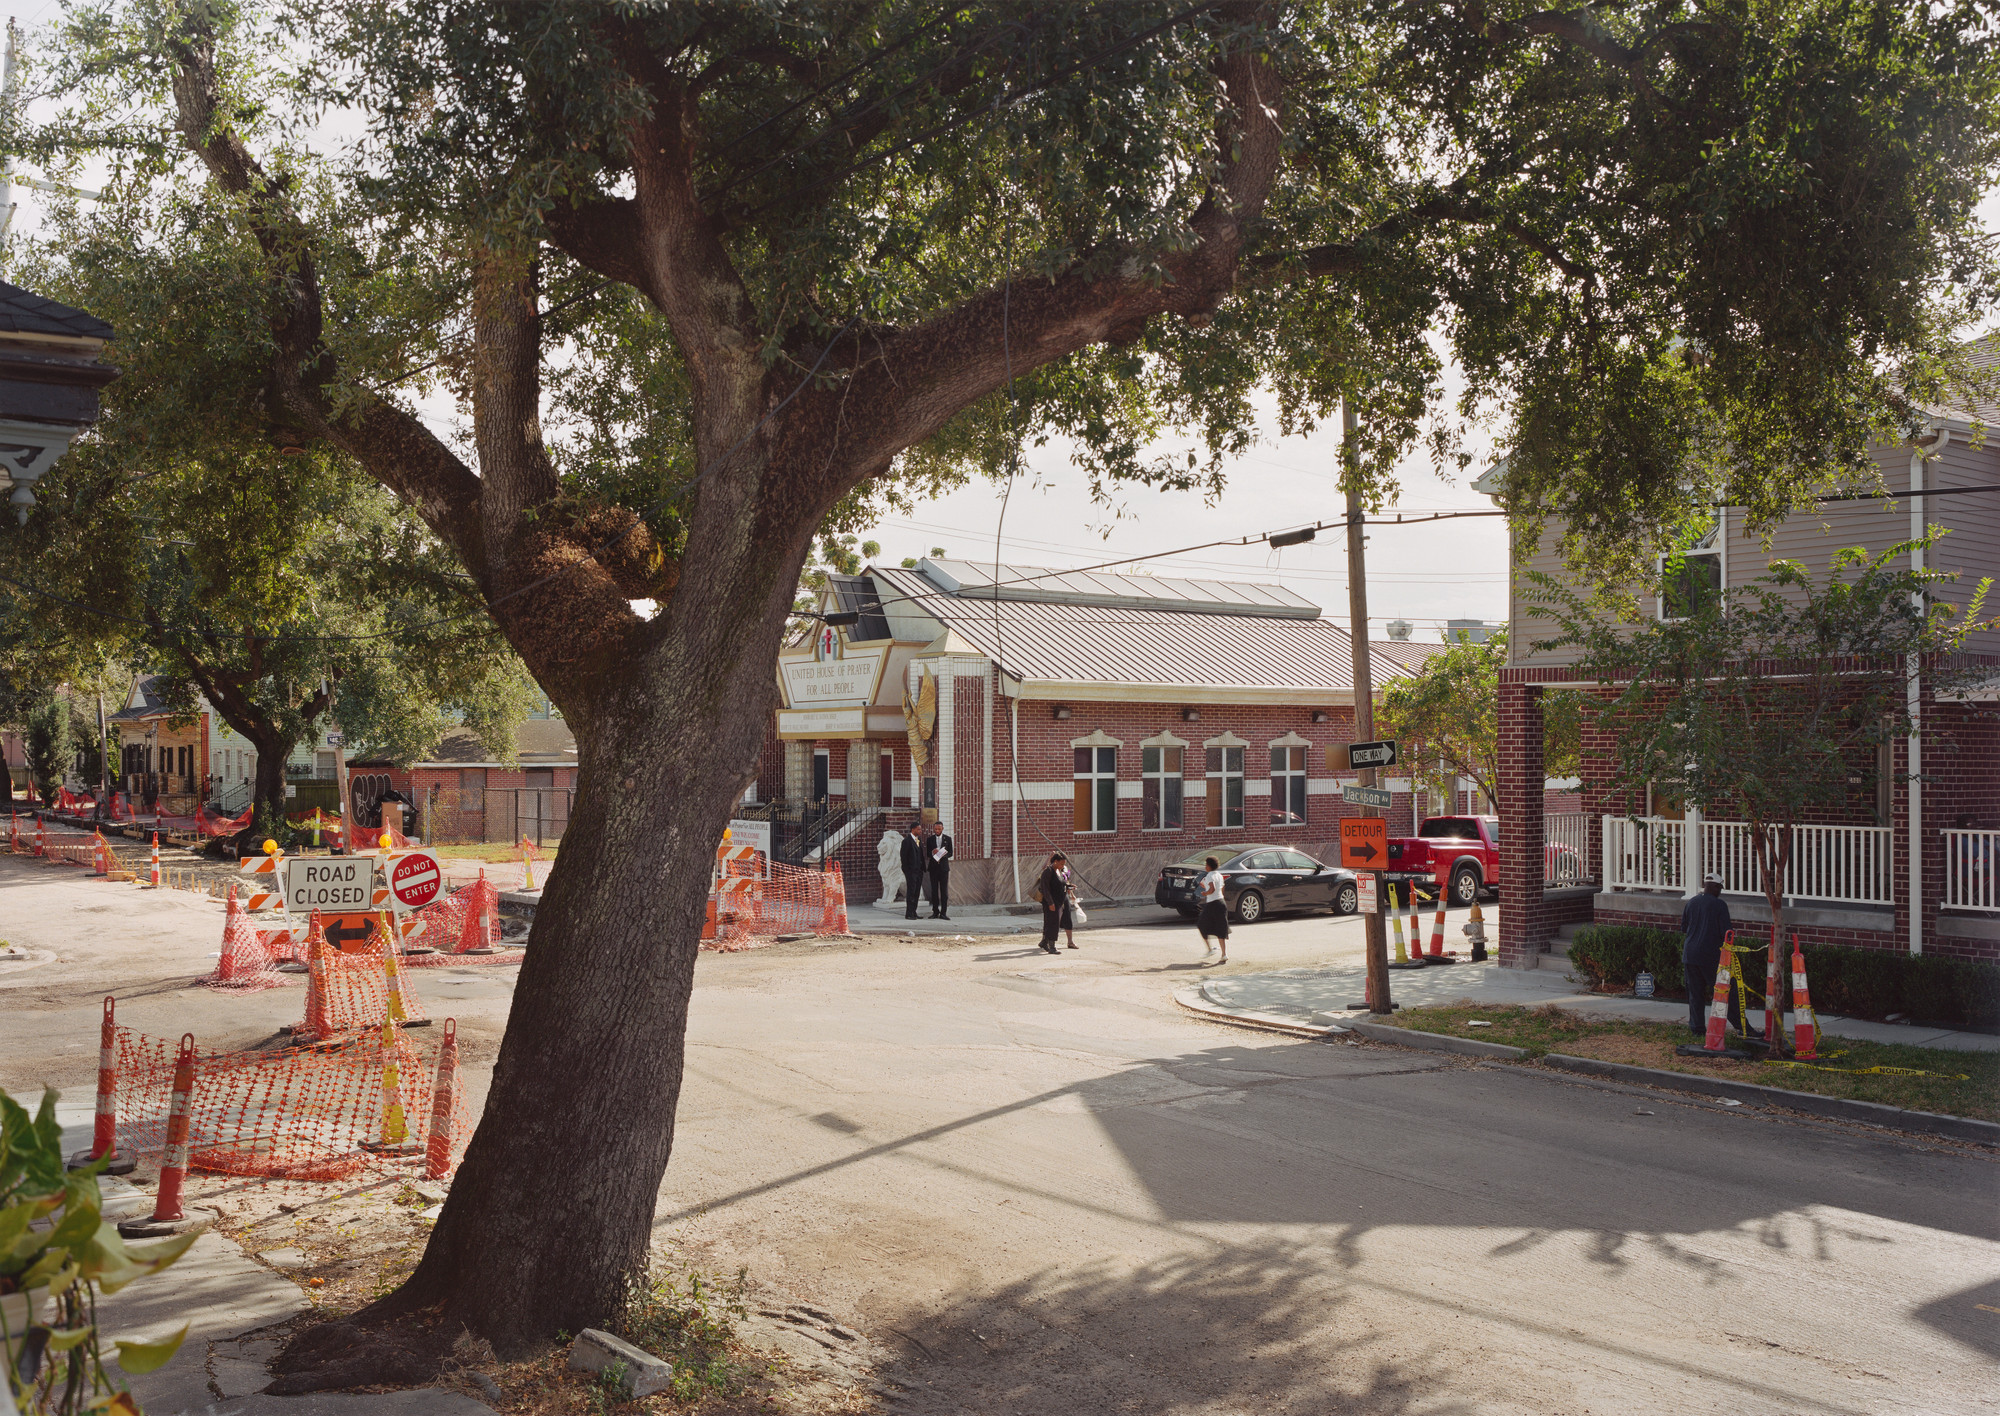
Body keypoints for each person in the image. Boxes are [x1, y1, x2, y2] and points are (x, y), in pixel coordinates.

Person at [1680, 871, 1739, 1035]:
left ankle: (1697, 1029)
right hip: (1710, 957)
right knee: (1724, 992)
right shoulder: (1719, 905)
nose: (1720, 891)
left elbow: (1684, 928)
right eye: (1719, 888)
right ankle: (1742, 1027)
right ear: (1714, 887)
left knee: (1695, 995)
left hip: (1690, 955)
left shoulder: (1691, 902)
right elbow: (1727, 934)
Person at [1035, 852, 1077, 953]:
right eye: (1061, 864)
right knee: (1052, 923)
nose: (1063, 866)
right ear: (1055, 861)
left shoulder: (1059, 871)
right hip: (1051, 901)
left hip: (1060, 900)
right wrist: (1050, 903)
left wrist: (1070, 887)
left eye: (1064, 864)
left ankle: (1045, 942)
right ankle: (1052, 947)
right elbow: (1045, 889)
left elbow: (1061, 884)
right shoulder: (1048, 872)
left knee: (1054, 922)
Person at [1195, 855, 1229, 963]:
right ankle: (1224, 954)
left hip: (1212, 903)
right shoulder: (1219, 875)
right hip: (1221, 902)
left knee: (1201, 924)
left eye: (1206, 865)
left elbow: (1212, 889)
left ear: (1209, 866)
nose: (1205, 866)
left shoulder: (1209, 875)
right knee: (1221, 928)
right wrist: (1208, 889)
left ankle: (1210, 949)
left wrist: (1205, 893)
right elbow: (1221, 888)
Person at [927, 820, 954, 920]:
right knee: (934, 890)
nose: (937, 831)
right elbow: (927, 853)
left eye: (939, 829)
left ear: (942, 829)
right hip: (933, 868)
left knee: (944, 891)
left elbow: (950, 853)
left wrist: (942, 854)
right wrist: (933, 852)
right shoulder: (930, 839)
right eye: (935, 829)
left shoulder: (948, 839)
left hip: (943, 868)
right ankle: (935, 911)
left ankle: (943, 913)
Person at [899, 822, 926, 921]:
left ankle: (914, 911)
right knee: (911, 891)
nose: (920, 831)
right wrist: (907, 871)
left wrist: (922, 867)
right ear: (913, 829)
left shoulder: (918, 840)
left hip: (919, 871)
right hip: (911, 872)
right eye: (918, 829)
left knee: (917, 892)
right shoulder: (906, 841)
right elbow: (904, 857)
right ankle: (909, 913)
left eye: (920, 829)